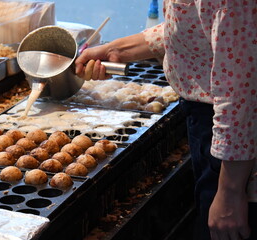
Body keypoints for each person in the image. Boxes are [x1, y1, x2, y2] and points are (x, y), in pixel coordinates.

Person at [75, 1, 256, 239]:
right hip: (216, 127)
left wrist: (231, 192)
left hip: (235, 139)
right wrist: (118, 49)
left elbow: (241, 91)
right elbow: (201, 24)